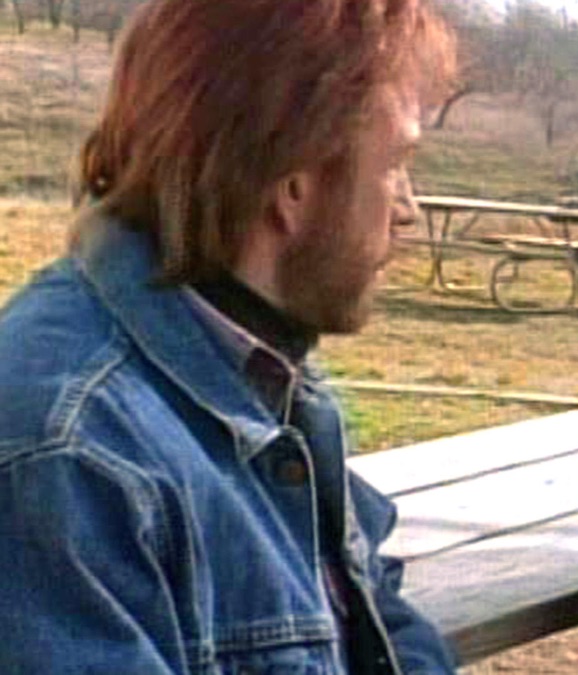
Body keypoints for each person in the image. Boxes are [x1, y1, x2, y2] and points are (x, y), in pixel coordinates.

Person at [0, 0, 458, 672]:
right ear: (293, 181)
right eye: (395, 163)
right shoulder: (68, 457)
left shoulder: (247, 356)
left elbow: (373, 609)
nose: (408, 209)